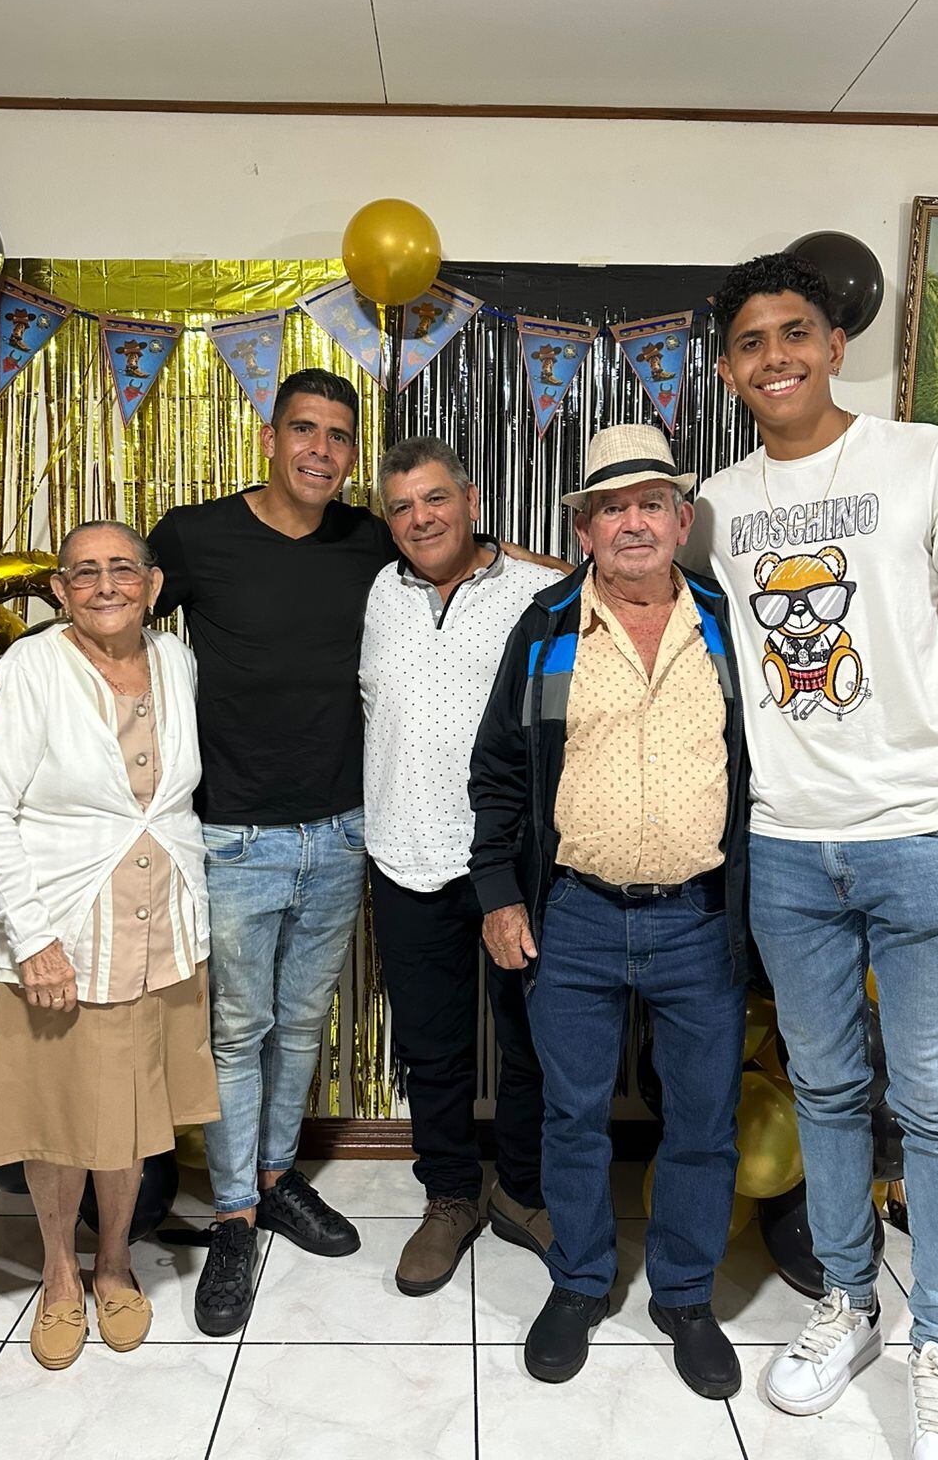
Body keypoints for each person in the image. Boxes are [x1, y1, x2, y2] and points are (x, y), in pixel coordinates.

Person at [686, 252, 938, 1460]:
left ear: (833, 343)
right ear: (729, 368)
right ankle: (848, 1301)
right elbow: (636, 584)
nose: (775, 354)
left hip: (929, 834)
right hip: (791, 849)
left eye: (794, 330)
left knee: (937, 1102)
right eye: (750, 340)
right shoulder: (716, 504)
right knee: (831, 1091)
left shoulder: (925, 459)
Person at [0, 369, 395, 1338]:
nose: (319, 449)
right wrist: (4, 668)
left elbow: (460, 560)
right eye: (303, 430)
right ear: (271, 437)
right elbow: (100, 608)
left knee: (299, 1024)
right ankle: (234, 1210)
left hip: (339, 832)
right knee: (236, 1034)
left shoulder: (368, 538)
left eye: (337, 435)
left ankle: (277, 1179)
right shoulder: (196, 535)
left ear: (351, 451)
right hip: (231, 839)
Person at [468, 424, 751, 1397]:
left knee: (703, 1121)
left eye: (649, 503)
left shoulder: (728, 622)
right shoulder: (545, 626)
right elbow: (499, 772)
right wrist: (499, 894)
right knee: (573, 1115)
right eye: (610, 507)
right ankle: (582, 1280)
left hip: (699, 917)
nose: (632, 521)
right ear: (585, 529)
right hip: (574, 915)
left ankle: (683, 1294)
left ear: (680, 518)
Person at [0, 521, 217, 1371]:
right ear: (62, 590)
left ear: (152, 582)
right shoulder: (26, 672)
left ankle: (114, 1264)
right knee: (56, 1120)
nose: (105, 585)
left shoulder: (176, 660)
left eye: (122, 570)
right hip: (63, 932)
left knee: (131, 1118)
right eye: (84, 573)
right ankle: (59, 1275)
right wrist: (35, 942)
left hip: (162, 929)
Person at [360, 436, 567, 1295]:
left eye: (436, 499)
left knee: (529, 1043)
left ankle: (522, 1191)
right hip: (401, 854)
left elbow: (625, 575)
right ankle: (450, 1194)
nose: (420, 519)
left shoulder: (537, 592)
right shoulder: (379, 588)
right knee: (432, 1047)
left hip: (505, 862)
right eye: (402, 507)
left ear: (473, 501)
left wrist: (534, 556)